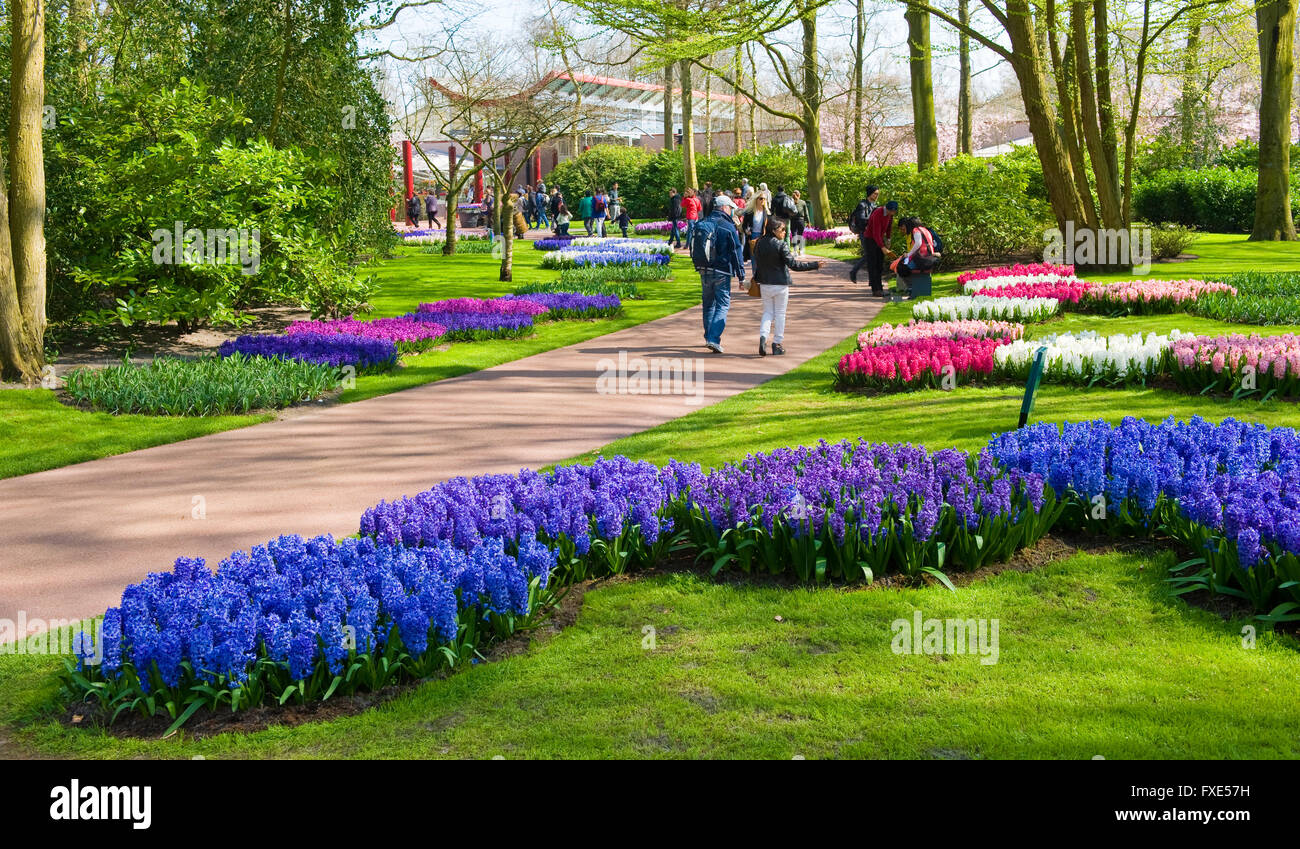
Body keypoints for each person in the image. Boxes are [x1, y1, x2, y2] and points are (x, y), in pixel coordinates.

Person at [753, 217, 821, 357]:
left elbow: (757, 263)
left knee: (767, 312)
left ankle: (763, 337)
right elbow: (793, 265)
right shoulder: (781, 245)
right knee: (780, 314)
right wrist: (814, 265)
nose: (785, 232)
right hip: (780, 284)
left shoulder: (759, 243)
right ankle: (777, 343)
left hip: (765, 283)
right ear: (774, 230)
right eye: (782, 230)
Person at [691, 193, 745, 354]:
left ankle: (709, 335)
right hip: (721, 270)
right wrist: (741, 274)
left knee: (708, 304)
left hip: (704, 269)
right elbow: (736, 252)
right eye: (731, 209)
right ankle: (713, 339)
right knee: (722, 304)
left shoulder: (703, 222)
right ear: (725, 208)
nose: (732, 212)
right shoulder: (727, 226)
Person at [851, 199, 897, 295]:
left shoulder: (890, 215)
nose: (892, 214)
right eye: (891, 212)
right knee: (873, 265)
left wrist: (888, 239)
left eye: (893, 212)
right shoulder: (878, 213)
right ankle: (875, 290)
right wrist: (882, 247)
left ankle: (880, 287)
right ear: (888, 209)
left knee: (879, 265)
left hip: (879, 238)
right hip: (870, 239)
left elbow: (889, 227)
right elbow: (875, 233)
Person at [894, 216, 939, 282]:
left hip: (922, 258)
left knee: (901, 269)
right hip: (929, 256)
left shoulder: (916, 230)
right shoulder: (924, 229)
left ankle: (910, 288)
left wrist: (909, 254)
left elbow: (918, 243)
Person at [740, 193, 771, 280]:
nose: (763, 201)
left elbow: (769, 226)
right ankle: (756, 279)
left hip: (763, 237)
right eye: (761, 199)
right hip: (753, 237)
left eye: (764, 199)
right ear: (756, 200)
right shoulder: (750, 212)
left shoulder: (767, 213)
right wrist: (747, 231)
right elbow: (744, 226)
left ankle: (763, 278)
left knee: (763, 259)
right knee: (754, 259)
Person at [682, 188, 702, 252]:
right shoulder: (697, 199)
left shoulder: (688, 199)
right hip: (696, 217)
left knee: (690, 232)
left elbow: (682, 204)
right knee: (693, 231)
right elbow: (699, 208)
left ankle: (689, 245)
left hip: (691, 217)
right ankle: (691, 245)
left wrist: (684, 197)